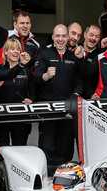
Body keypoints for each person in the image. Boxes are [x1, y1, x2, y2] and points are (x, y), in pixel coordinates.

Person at [34, 25, 85, 170]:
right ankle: (47, 176)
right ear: (53, 37)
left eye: (63, 36)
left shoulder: (73, 56)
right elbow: (36, 76)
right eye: (58, 36)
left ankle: (64, 177)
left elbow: (79, 80)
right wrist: (46, 75)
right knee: (47, 145)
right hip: (48, 108)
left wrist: (75, 94)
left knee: (66, 146)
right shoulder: (44, 53)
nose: (60, 39)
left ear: (68, 38)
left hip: (67, 109)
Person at [0, 38, 34, 146]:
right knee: (1, 149)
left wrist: (32, 99)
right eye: (12, 49)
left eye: (18, 49)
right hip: (2, 117)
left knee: (20, 150)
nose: (16, 52)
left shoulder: (26, 70)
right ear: (5, 52)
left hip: (21, 117)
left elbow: (34, 89)